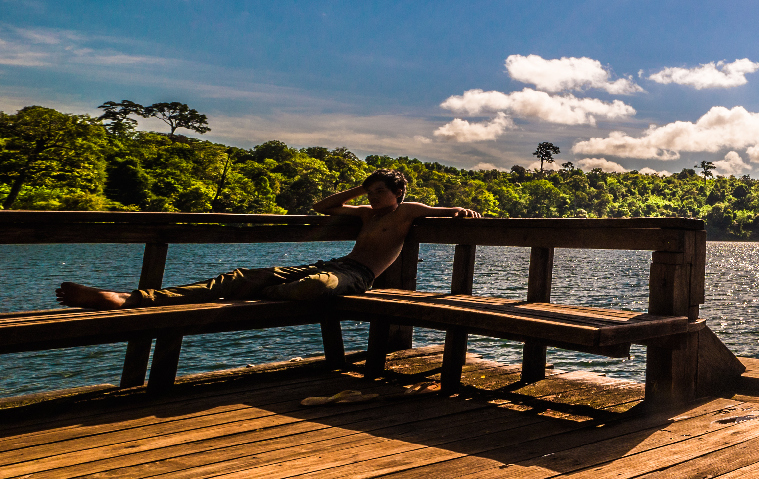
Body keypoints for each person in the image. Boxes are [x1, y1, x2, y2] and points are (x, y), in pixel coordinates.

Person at [54, 169, 478, 310]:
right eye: (371, 192)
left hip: (359, 276)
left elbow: (445, 212)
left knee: (312, 287)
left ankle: (258, 292)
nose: (373, 197)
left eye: (380, 192)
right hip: (336, 265)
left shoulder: (407, 210)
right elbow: (323, 207)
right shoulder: (366, 212)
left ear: (398, 193)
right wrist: (359, 188)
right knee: (236, 277)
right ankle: (133, 298)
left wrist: (461, 211)